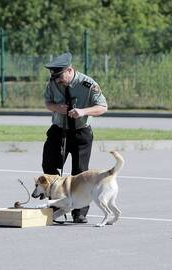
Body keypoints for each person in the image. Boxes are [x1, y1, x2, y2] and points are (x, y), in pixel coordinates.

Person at [42, 52, 108, 223]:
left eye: (60, 77)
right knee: (49, 166)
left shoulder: (87, 84)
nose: (57, 81)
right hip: (59, 130)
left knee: (80, 172)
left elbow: (103, 107)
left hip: (80, 132)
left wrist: (83, 111)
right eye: (54, 77)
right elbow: (48, 103)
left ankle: (79, 212)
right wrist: (57, 108)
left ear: (70, 70)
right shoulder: (53, 82)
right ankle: (55, 207)